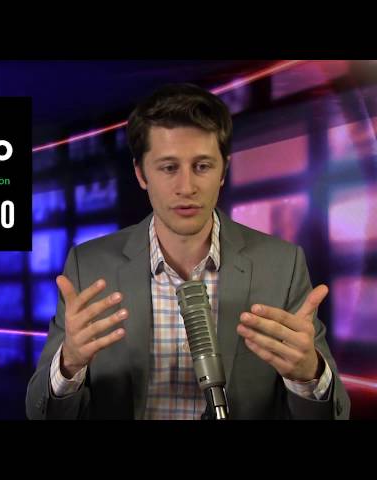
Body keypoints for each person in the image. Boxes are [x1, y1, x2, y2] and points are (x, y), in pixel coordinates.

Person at [26, 83, 350, 420]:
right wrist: (68, 365)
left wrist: (308, 375)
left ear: (223, 170)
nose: (187, 187)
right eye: (169, 168)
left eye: (202, 166)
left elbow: (335, 413)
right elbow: (40, 412)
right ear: (141, 174)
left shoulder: (282, 265)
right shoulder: (89, 266)